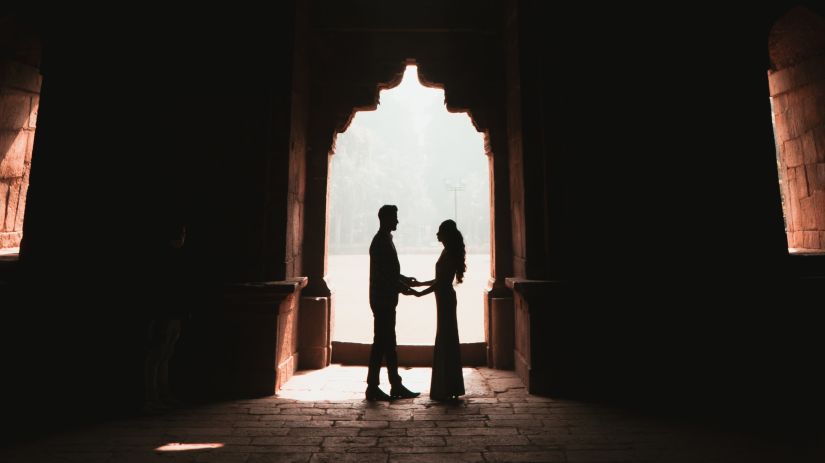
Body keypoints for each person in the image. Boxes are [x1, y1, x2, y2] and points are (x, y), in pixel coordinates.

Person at [366, 205, 421, 401]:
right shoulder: (381, 242)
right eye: (395, 218)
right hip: (383, 300)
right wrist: (403, 287)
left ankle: (391, 384)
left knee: (386, 344)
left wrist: (405, 280)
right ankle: (375, 386)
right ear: (386, 219)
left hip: (384, 299)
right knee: (383, 344)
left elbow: (389, 273)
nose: (397, 221)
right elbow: (385, 276)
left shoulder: (384, 240)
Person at [411, 219, 466, 401]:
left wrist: (421, 292)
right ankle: (449, 386)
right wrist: (421, 284)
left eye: (439, 231)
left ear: (446, 234)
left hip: (445, 298)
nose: (436, 234)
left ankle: (446, 386)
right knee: (446, 338)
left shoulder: (448, 253)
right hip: (444, 297)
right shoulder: (447, 252)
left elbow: (441, 282)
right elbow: (439, 280)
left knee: (446, 338)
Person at [143, 221, 189, 413]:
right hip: (165, 314)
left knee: (165, 354)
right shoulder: (165, 260)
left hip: (172, 313)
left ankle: (161, 393)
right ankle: (152, 396)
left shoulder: (172, 259)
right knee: (158, 355)